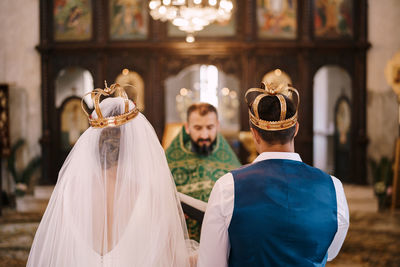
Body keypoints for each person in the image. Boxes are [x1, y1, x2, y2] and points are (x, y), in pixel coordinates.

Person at [27, 83, 197, 267]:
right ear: (135, 145)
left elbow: (58, 252)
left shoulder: (69, 190)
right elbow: (173, 260)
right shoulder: (150, 194)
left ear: (94, 144)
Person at [198, 82, 350, 267]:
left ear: (254, 134)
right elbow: (330, 251)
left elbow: (211, 263)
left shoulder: (228, 186)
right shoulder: (333, 187)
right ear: (296, 129)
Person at [165, 102, 241, 241]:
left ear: (217, 126)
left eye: (210, 127)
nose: (204, 135)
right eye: (198, 128)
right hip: (183, 241)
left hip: (219, 240)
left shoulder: (229, 160)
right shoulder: (170, 161)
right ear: (187, 127)